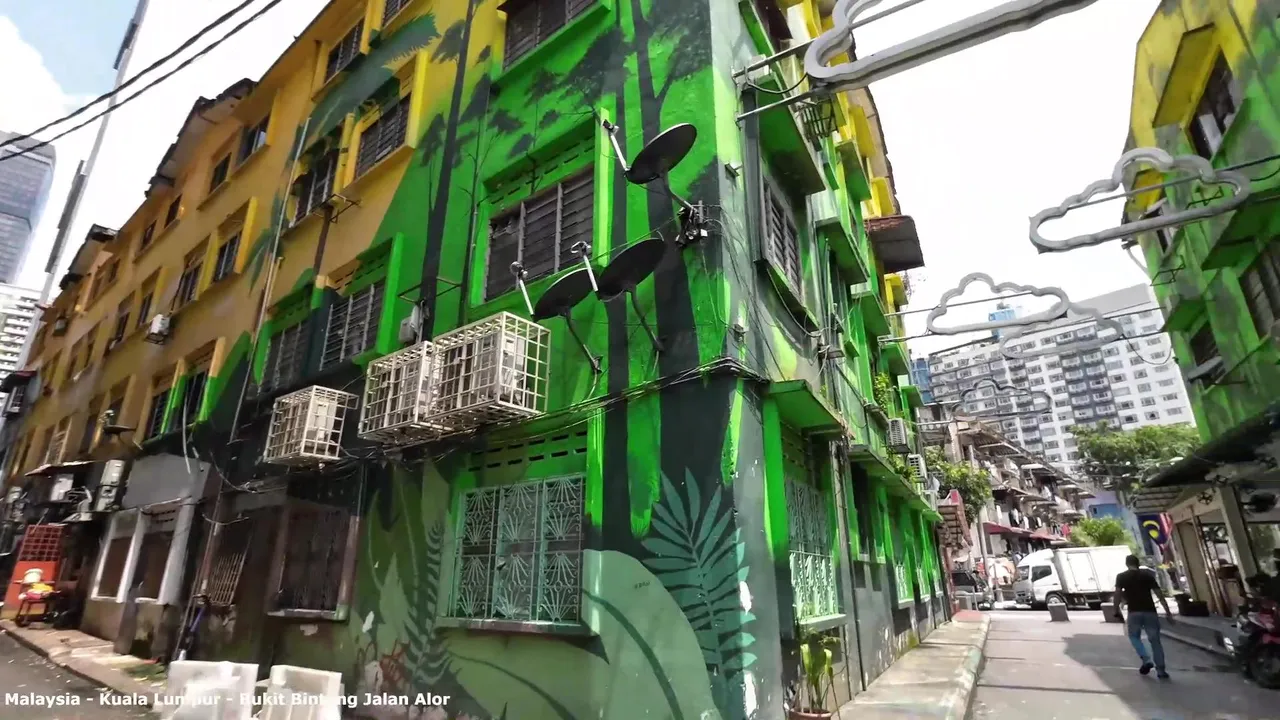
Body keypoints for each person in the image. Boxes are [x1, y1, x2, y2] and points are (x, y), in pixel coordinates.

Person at [1114, 555, 1174, 679]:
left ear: (1127, 564)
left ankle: (1146, 659)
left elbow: (1117, 594)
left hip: (1134, 612)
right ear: (1138, 563)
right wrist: (1168, 612)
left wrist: (1116, 610)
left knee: (1133, 636)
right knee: (1155, 641)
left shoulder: (1122, 577)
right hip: (1150, 611)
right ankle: (1161, 670)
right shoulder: (1147, 575)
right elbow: (1159, 594)